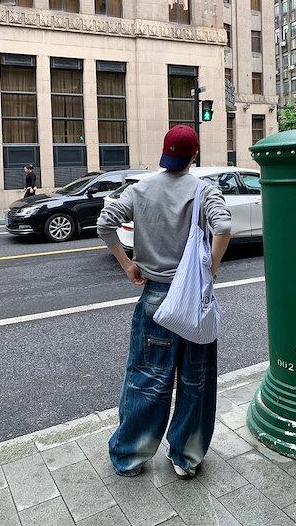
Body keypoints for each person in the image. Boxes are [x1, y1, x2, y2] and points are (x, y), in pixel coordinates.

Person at [96, 125, 232, 479]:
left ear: (164, 152)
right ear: (194, 155)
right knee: (196, 380)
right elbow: (222, 228)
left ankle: (130, 457)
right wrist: (211, 268)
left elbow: (105, 224)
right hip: (192, 301)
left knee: (146, 378)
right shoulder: (203, 190)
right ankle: (185, 457)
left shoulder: (140, 189)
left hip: (155, 297)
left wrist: (127, 264)